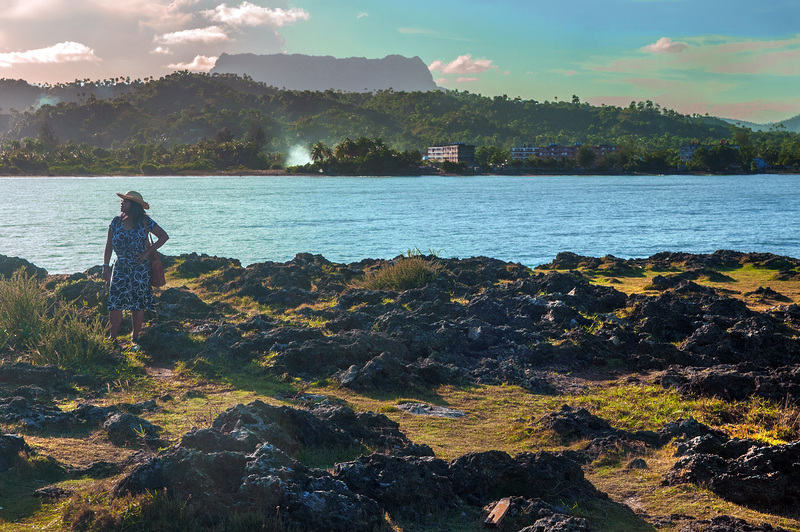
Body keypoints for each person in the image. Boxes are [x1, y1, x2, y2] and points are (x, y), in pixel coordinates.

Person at [102, 191, 169, 343]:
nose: (122, 203)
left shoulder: (145, 221)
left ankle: (135, 338)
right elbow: (108, 245)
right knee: (114, 303)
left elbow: (164, 236)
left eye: (125, 201)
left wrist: (147, 253)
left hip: (140, 268)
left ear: (134, 206)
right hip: (120, 267)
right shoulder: (115, 221)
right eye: (123, 201)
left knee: (138, 304)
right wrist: (105, 265)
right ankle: (112, 338)